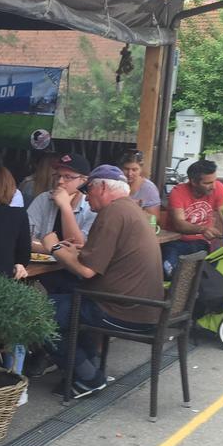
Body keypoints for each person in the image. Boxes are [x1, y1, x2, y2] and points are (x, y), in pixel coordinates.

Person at [40, 164, 164, 398]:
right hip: (141, 306)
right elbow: (103, 256)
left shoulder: (113, 213)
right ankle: (87, 367)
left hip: (122, 309)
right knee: (64, 293)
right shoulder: (130, 208)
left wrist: (54, 247)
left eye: (89, 190)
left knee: (38, 313)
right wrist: (79, 250)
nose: (86, 197)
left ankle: (88, 377)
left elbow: (87, 271)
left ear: (104, 187)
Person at [161, 159, 223, 278]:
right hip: (176, 241)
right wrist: (203, 229)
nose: (213, 186)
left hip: (203, 243)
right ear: (193, 182)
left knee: (210, 274)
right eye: (207, 183)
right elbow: (179, 224)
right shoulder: (178, 192)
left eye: (214, 180)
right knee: (168, 271)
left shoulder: (219, 189)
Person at [26, 152, 97, 252]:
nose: (60, 181)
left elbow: (79, 246)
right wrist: (54, 249)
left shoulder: (91, 206)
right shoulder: (44, 199)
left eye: (67, 177)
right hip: (42, 263)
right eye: (58, 176)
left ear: (84, 181)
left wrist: (65, 206)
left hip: (74, 266)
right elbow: (26, 238)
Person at [119, 149, 161, 216]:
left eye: (134, 170)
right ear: (120, 168)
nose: (130, 173)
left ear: (141, 169)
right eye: (126, 169)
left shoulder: (149, 189)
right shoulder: (115, 184)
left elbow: (154, 219)